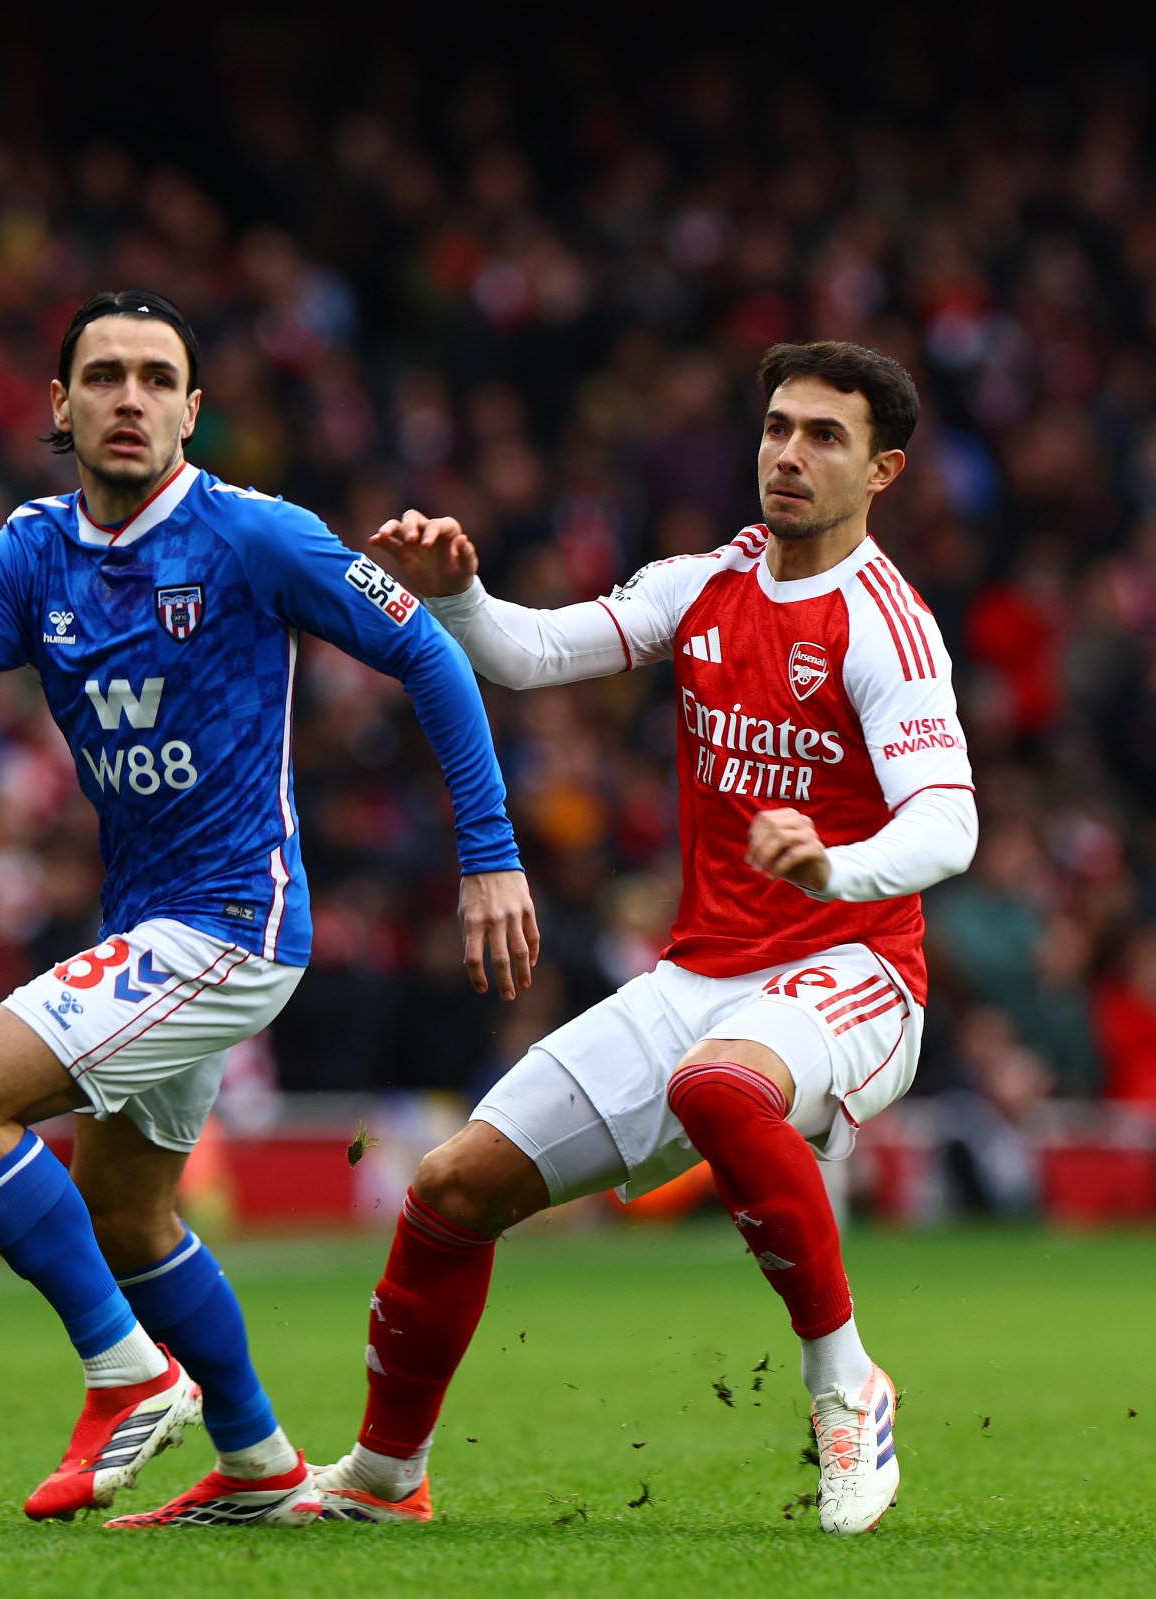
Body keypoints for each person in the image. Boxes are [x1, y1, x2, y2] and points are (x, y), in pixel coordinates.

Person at [0, 290, 538, 1527]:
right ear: (60, 406)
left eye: (155, 378)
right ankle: (259, 1466)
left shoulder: (256, 536)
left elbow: (431, 652)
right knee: (126, 1211)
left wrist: (490, 854)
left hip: (234, 920)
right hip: (147, 925)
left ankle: (128, 1375)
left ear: (194, 408)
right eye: (105, 376)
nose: (129, 398)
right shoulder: (30, 552)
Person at [314, 341, 975, 1535]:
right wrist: (457, 591)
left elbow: (951, 825)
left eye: (824, 436)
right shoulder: (700, 584)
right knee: (451, 1188)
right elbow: (527, 655)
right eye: (777, 426)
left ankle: (846, 1383)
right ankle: (382, 1478)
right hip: (703, 973)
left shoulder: (886, 624)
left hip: (858, 970)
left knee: (721, 1089)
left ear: (884, 471)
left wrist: (840, 866)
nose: (788, 453)